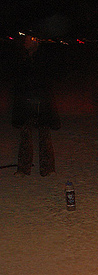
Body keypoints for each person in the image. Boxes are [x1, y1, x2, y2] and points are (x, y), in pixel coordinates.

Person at [11, 35, 60, 177]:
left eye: (29, 40)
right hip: (26, 102)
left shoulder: (43, 58)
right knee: (25, 135)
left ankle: (48, 169)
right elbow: (18, 78)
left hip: (42, 102)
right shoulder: (22, 57)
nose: (26, 42)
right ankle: (23, 169)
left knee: (44, 136)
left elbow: (48, 78)